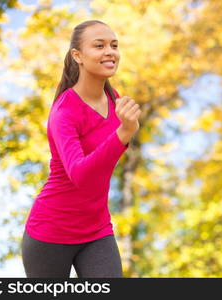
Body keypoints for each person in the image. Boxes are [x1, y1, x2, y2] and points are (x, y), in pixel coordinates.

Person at [21, 20, 141, 278]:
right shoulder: (64, 112)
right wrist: (124, 133)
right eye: (99, 46)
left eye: (114, 45)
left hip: (97, 230)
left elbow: (108, 159)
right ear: (78, 56)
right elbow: (81, 176)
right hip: (51, 232)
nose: (110, 51)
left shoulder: (114, 99)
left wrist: (125, 133)